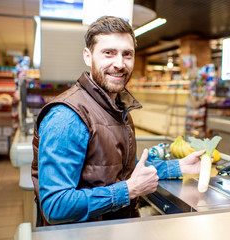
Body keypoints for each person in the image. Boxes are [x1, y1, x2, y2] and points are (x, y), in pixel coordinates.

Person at [31, 16, 205, 226]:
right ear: (88, 56)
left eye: (127, 54)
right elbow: (55, 206)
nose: (120, 64)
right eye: (109, 53)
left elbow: (119, 170)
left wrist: (178, 167)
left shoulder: (117, 108)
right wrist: (129, 190)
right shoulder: (67, 116)